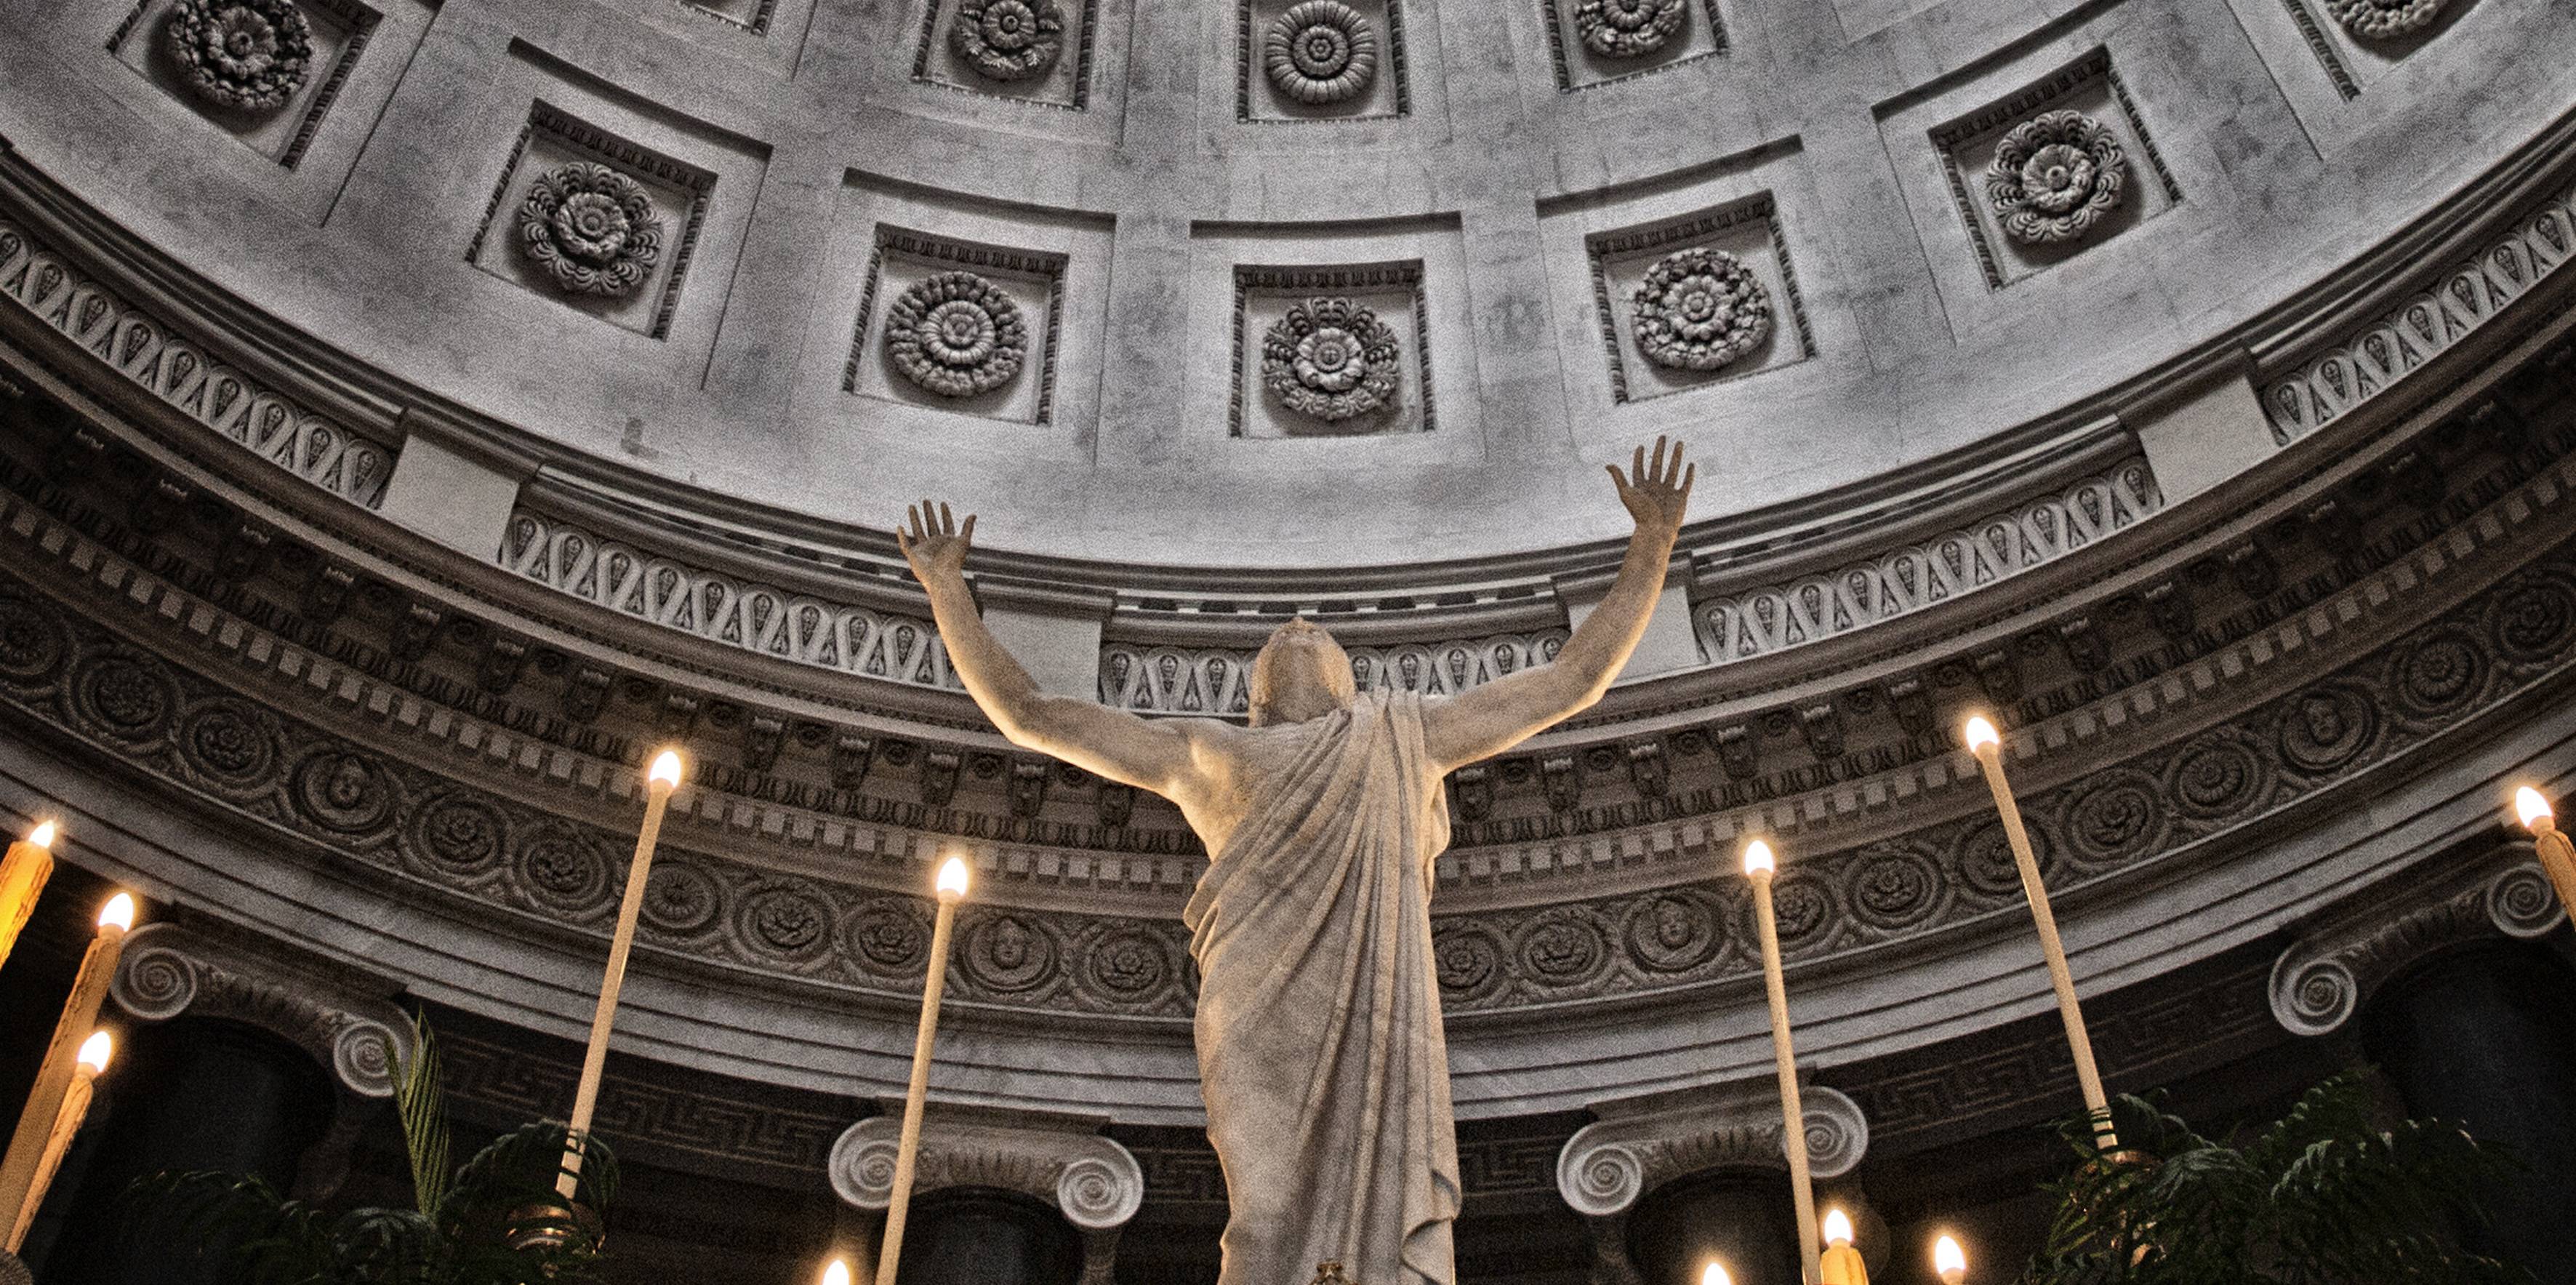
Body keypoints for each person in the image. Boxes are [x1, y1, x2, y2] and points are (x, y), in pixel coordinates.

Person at [896, 438, 1695, 1285]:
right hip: (1254, 1005)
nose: (1301, 628)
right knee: (1266, 1211)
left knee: (1373, 1202)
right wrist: (948, 592)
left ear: (1353, 684)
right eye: (1284, 635)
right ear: (1255, 696)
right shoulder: (1210, 755)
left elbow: (1572, 680)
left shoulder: (1406, 736)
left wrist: (1652, 546)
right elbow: (1032, 713)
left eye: (1319, 634)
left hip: (1377, 1004)